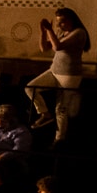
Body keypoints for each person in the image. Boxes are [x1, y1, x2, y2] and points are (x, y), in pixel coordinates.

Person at [28, 8, 89, 142]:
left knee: (61, 109)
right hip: (54, 71)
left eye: (62, 22)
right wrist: (43, 32)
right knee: (30, 88)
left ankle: (59, 140)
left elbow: (57, 47)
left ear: (70, 20)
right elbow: (44, 48)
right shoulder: (61, 32)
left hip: (69, 75)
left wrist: (50, 30)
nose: (58, 25)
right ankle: (45, 113)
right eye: (57, 22)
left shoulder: (79, 33)